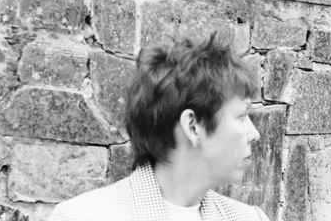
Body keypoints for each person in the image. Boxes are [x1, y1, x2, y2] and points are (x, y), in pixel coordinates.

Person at [49, 33, 268, 221]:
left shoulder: (250, 218)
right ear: (193, 126)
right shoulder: (81, 216)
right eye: (242, 116)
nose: (255, 134)